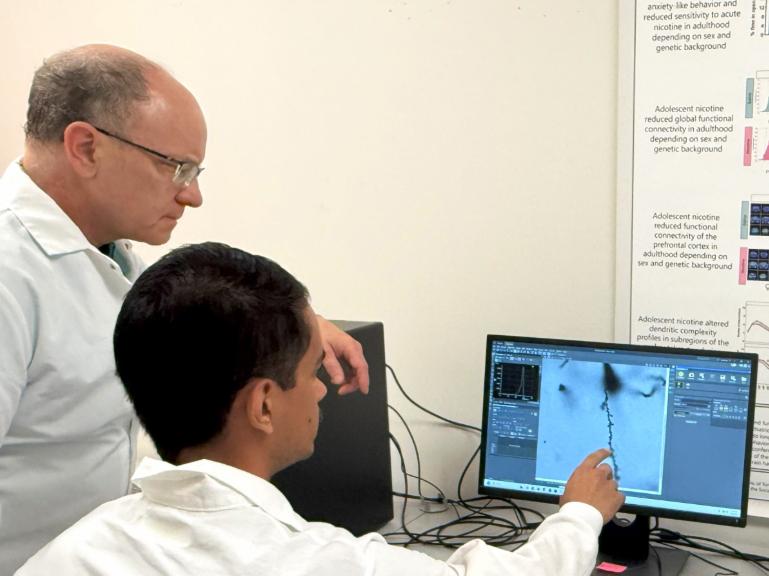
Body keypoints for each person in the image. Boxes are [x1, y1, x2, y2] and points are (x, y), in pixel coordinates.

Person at [16, 242, 625, 576]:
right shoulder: (307, 560)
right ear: (262, 405)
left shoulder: (70, 551)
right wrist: (577, 515)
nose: (319, 389)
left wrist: (297, 325)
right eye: (310, 372)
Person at [0, 45, 367, 574]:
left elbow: (185, 319)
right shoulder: (11, 275)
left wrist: (294, 327)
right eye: (175, 168)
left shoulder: (106, 254)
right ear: (85, 148)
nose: (192, 195)